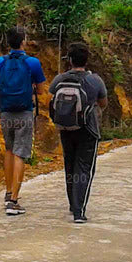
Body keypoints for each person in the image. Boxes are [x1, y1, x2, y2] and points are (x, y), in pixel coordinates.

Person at [48, 42, 109, 224]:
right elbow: (103, 103)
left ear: (70, 60)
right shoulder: (95, 80)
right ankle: (79, 211)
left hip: (66, 128)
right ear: (86, 60)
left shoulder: (59, 79)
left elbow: (50, 102)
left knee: (70, 163)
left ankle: (72, 203)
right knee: (84, 168)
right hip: (88, 129)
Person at [0, 26, 47, 216]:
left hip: (5, 111)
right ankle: (14, 201)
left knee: (8, 149)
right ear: (23, 42)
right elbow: (40, 90)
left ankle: (7, 192)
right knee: (20, 153)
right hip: (24, 112)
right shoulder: (33, 63)